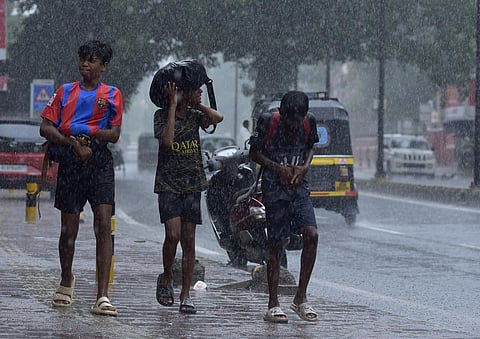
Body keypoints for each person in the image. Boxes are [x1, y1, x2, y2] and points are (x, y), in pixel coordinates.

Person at [40, 40, 123, 317]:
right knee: (69, 229)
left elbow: (113, 134)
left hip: (99, 163)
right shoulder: (64, 92)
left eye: (93, 60)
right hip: (71, 163)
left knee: (103, 225)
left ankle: (102, 294)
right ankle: (66, 279)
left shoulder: (112, 95)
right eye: (83, 59)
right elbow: (45, 127)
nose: (86, 64)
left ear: (104, 66)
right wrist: (73, 143)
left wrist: (90, 135)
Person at [153, 79, 223, 314]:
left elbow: (217, 118)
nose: (200, 93)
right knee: (172, 235)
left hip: (192, 183)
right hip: (168, 184)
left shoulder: (195, 116)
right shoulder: (161, 115)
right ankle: (167, 276)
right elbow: (168, 141)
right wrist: (174, 106)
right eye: (195, 91)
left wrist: (197, 104)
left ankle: (185, 294)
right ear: (180, 93)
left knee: (189, 240)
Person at [249, 90, 319, 323]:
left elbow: (311, 148)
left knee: (311, 234)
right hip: (274, 187)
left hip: (299, 186)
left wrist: (305, 168)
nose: (294, 126)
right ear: (281, 114)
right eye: (290, 121)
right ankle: (273, 303)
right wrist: (277, 168)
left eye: (297, 121)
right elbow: (254, 153)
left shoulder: (309, 123)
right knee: (277, 243)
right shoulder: (268, 121)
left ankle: (301, 297)